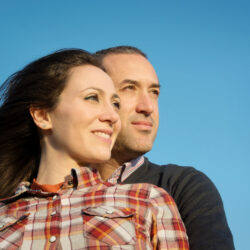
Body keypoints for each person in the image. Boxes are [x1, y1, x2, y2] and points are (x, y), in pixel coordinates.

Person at [0, 49, 189, 249]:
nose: (112, 116)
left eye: (115, 103)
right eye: (92, 98)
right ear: (42, 115)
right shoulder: (4, 213)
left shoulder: (149, 200)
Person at [95, 46, 235, 250]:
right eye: (129, 88)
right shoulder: (45, 190)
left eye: (154, 92)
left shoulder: (183, 187)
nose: (148, 106)